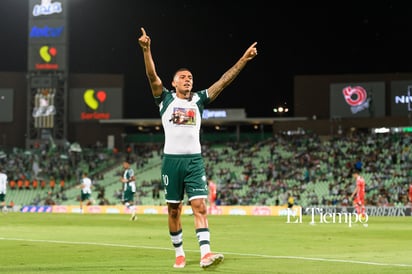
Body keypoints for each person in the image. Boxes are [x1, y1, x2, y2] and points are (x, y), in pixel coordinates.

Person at [138, 27, 257, 269]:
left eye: (190, 76)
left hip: (194, 161)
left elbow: (224, 81)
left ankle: (205, 253)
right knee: (174, 211)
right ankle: (179, 253)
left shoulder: (199, 100)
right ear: (173, 82)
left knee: (200, 206)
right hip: (171, 162)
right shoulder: (165, 99)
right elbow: (152, 77)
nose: (188, 79)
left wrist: (243, 60)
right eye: (182, 77)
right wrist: (147, 49)